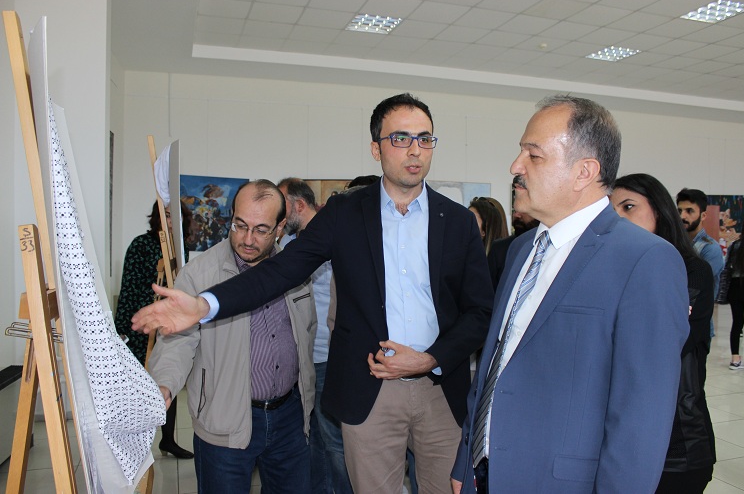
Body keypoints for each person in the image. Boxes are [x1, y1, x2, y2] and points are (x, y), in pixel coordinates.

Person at [132, 92, 494, 493]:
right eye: (401, 138)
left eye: (425, 139)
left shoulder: (457, 221)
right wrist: (205, 304)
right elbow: (281, 270)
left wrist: (431, 358)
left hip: (441, 390)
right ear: (376, 148)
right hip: (371, 390)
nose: (415, 150)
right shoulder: (344, 214)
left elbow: (480, 311)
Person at [451, 95, 689, 493]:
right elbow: (495, 362)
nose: (515, 166)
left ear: (584, 172)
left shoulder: (645, 261)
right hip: (487, 473)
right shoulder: (521, 250)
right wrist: (465, 462)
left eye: (534, 155)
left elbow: (641, 418)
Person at [147, 180, 317, 493]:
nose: (247, 239)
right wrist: (164, 384)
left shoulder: (294, 272)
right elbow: (178, 341)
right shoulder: (199, 275)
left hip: (288, 418)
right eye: (240, 225)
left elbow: (307, 331)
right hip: (224, 418)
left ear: (280, 227)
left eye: (261, 230)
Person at [612, 173, 715, 493]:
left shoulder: (692, 269)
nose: (618, 218)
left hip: (678, 438)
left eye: (628, 207)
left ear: (659, 211)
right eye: (611, 210)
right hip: (619, 434)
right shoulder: (613, 269)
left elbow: (661, 347)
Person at [277, 176, 352, 494]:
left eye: (282, 208)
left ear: (298, 205)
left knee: (334, 442)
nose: (279, 217)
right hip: (304, 358)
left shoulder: (331, 238)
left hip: (327, 355)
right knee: (314, 437)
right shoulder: (291, 244)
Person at [114, 200, 193, 459]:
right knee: (138, 387)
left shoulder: (180, 249)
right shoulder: (140, 245)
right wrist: (124, 329)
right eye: (167, 215)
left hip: (168, 326)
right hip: (142, 326)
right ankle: (132, 444)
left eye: (176, 216)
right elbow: (129, 288)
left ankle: (167, 440)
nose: (171, 221)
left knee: (167, 380)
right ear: (157, 217)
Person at [677, 188, 724, 338]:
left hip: (698, 324)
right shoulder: (675, 244)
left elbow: (695, 287)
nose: (682, 216)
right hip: (677, 319)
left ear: (703, 215)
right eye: (680, 210)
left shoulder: (710, 249)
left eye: (689, 211)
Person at [487, 210, 539, 289]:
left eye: (523, 211)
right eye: (515, 211)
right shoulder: (499, 248)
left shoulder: (550, 248)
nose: (516, 215)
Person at [728, 215, 744, 369]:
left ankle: (735, 359)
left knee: (737, 322)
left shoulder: (735, 245)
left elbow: (727, 267)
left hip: (735, 286)